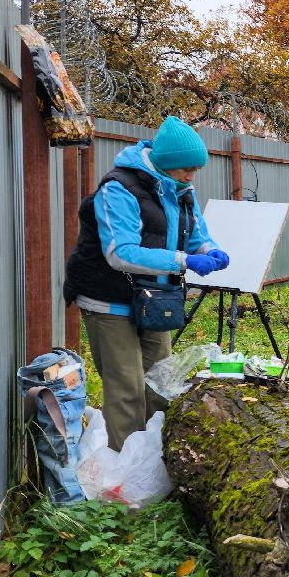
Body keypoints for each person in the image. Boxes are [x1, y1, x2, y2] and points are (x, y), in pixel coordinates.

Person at [63, 116, 230, 451]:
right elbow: (119, 253)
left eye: (195, 169)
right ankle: (125, 478)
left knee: (160, 382)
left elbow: (196, 235)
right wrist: (182, 260)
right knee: (127, 388)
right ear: (166, 163)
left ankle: (156, 458)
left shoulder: (181, 189)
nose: (191, 175)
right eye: (186, 168)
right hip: (108, 298)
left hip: (154, 297)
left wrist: (209, 250)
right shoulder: (119, 189)